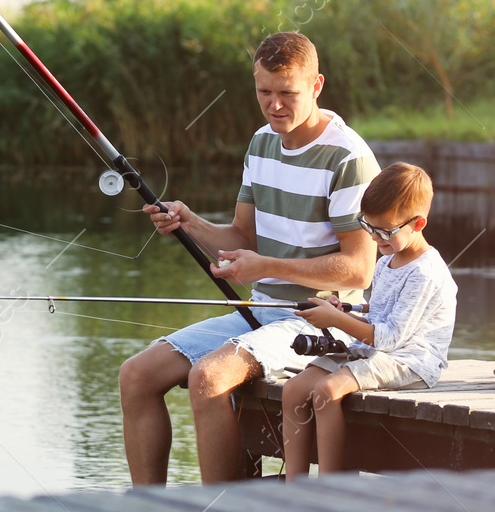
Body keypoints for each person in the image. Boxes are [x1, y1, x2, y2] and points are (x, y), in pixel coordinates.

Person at [119, 31, 380, 484]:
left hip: (322, 320)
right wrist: (188, 222)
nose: (274, 105)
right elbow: (241, 236)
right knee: (137, 375)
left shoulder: (347, 157)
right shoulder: (262, 143)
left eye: (287, 94)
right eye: (264, 92)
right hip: (259, 312)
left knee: (208, 377)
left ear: (316, 86)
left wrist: (267, 267)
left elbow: (359, 267)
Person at [281, 161, 457, 478]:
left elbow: (390, 337)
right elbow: (378, 311)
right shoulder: (388, 258)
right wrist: (346, 309)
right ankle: (296, 486)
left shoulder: (424, 272)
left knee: (326, 391)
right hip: (380, 351)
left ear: (418, 224)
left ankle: (330, 488)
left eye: (385, 231)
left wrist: (334, 319)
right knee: (293, 390)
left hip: (413, 360)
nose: (375, 238)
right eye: (368, 227)